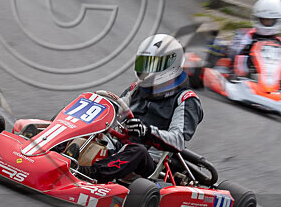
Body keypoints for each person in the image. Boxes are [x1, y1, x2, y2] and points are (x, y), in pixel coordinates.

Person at [74, 34, 204, 183]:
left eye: (153, 64)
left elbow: (177, 140)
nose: (147, 69)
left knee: (137, 150)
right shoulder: (137, 89)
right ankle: (57, 151)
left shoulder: (186, 99)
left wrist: (147, 132)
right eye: (144, 63)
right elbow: (114, 109)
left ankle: (88, 173)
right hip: (118, 146)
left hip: (148, 162)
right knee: (84, 123)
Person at [227, 0, 281, 82]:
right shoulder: (245, 35)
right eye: (263, 20)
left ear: (280, 21)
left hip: (274, 83)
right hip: (242, 78)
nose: (266, 23)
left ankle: (271, 87)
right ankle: (237, 78)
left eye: (270, 21)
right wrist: (246, 49)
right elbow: (232, 53)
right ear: (257, 19)